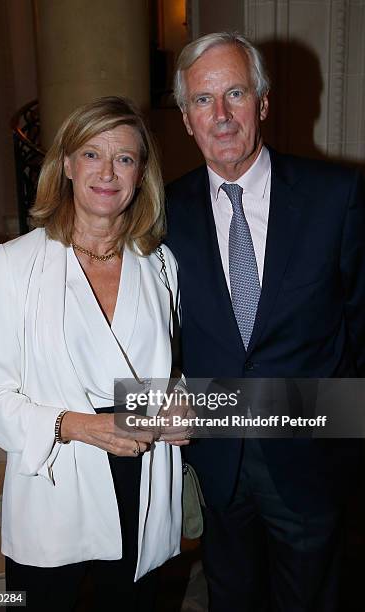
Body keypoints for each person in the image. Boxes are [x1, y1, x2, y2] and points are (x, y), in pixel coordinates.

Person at [165, 32, 365, 611]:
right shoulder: (163, 212)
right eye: (203, 101)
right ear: (185, 118)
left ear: (264, 103)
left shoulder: (338, 196)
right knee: (229, 597)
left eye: (235, 94)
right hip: (216, 460)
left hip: (311, 461)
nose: (221, 115)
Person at [0, 96, 188, 612]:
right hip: (56, 483)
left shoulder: (159, 264)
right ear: (65, 164)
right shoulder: (15, 265)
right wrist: (80, 426)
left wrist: (178, 404)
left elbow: (166, 372)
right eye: (92, 154)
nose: (108, 172)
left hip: (143, 478)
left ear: (141, 174)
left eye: (125, 158)